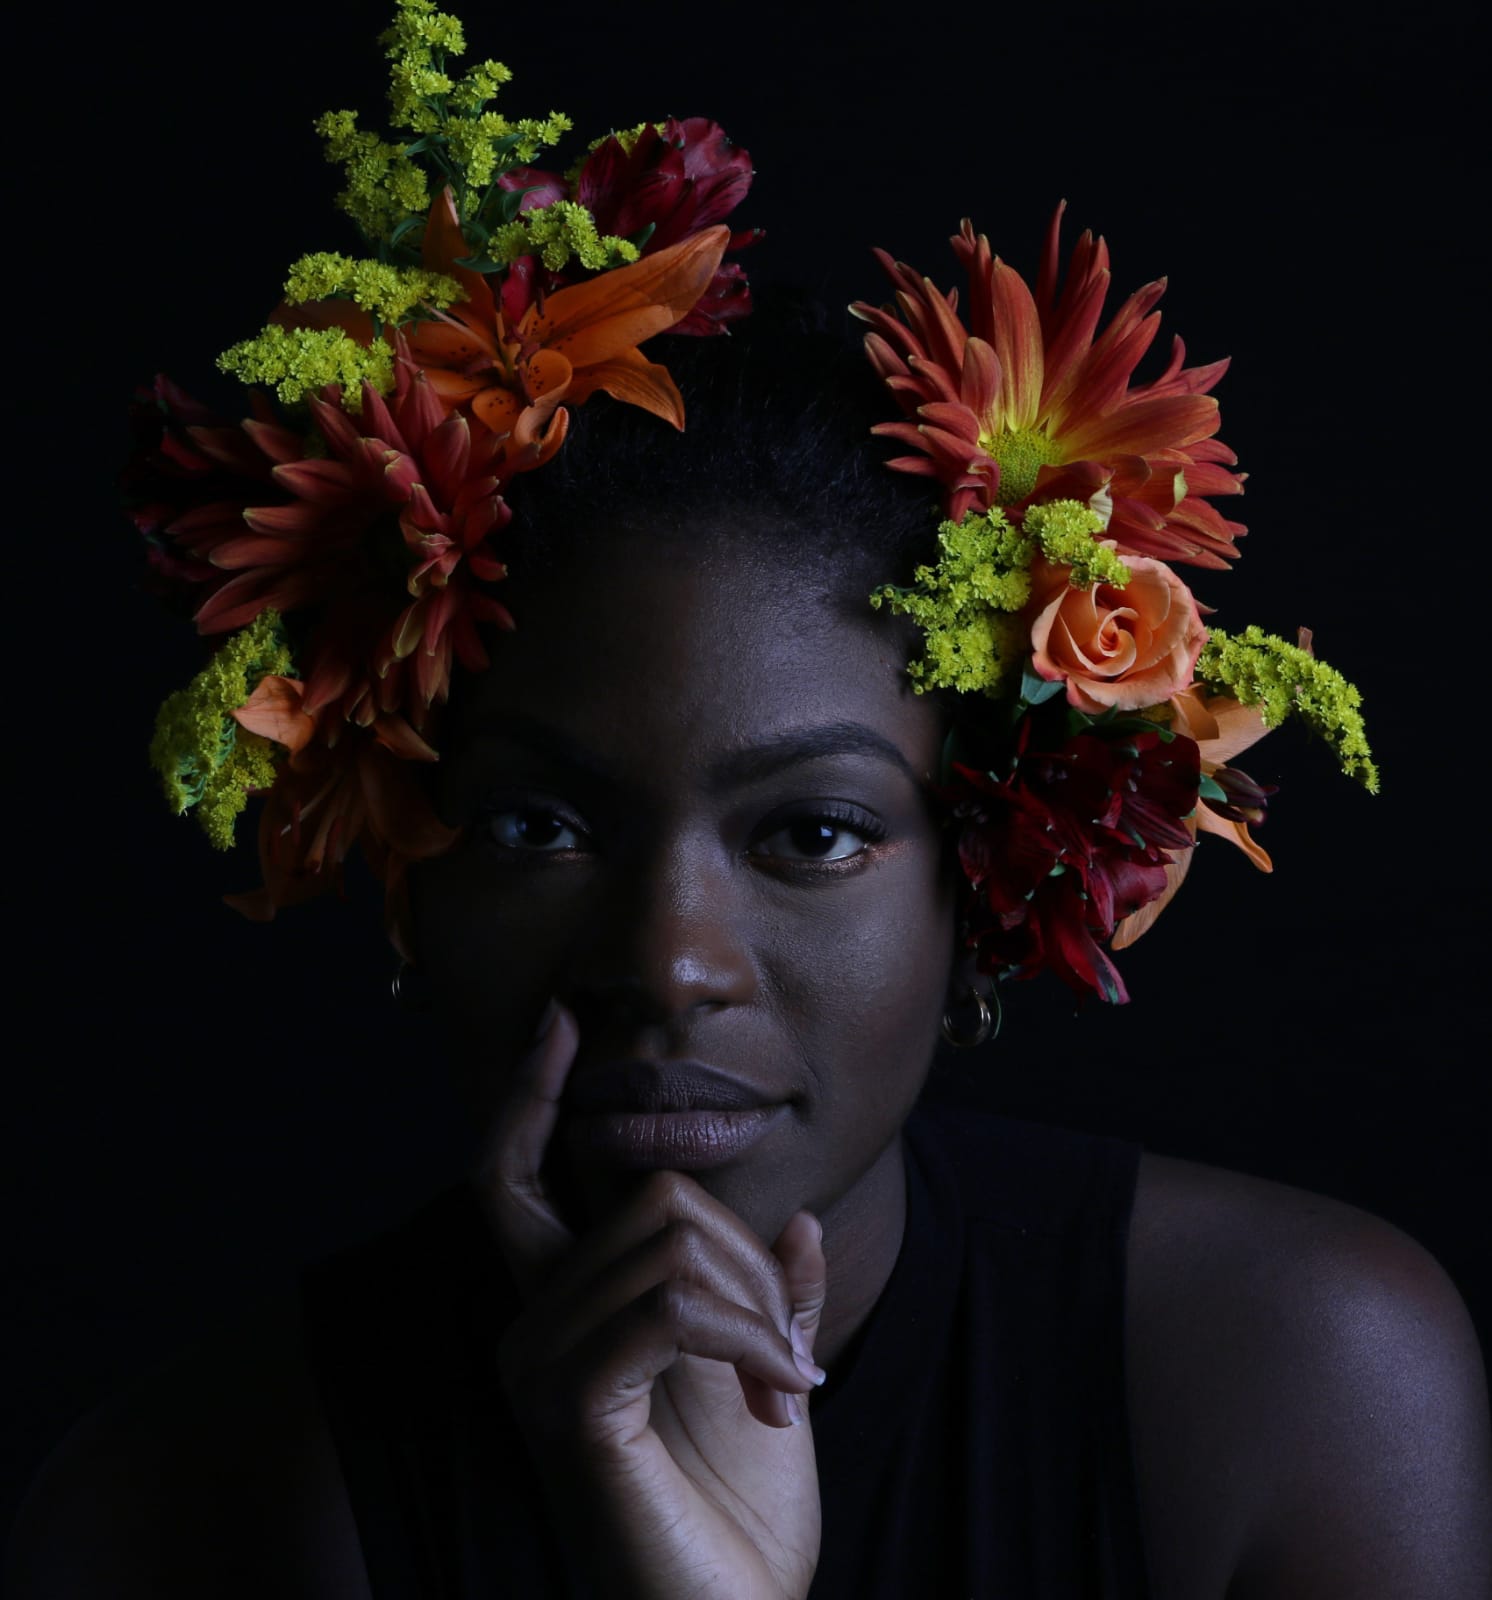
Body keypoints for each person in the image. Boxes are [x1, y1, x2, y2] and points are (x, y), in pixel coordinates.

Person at [7, 5, 1489, 1594]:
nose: (667, 961)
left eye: (811, 831)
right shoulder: (185, 1508)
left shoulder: (1291, 1378)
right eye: (537, 826)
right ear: (399, 867)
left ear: (985, 884)